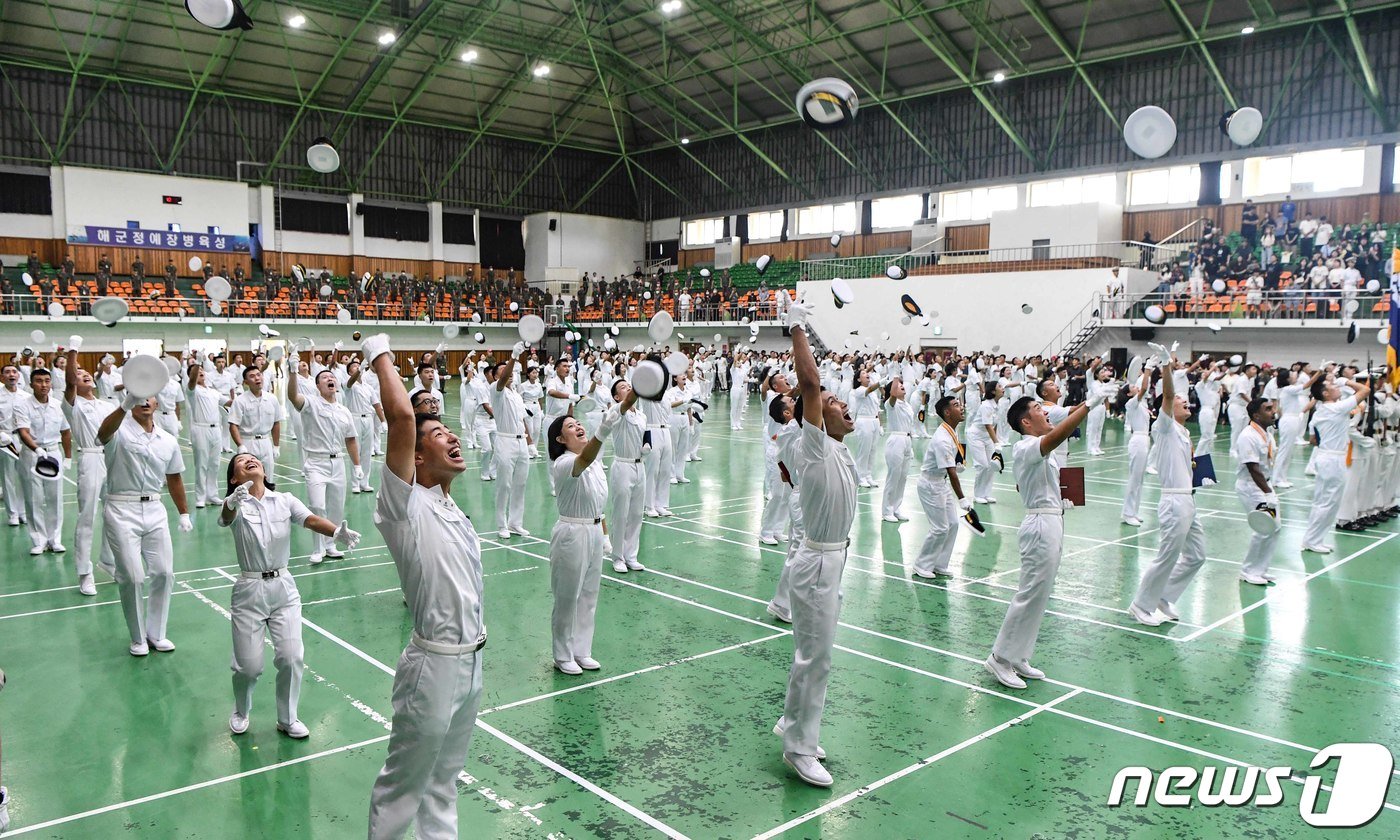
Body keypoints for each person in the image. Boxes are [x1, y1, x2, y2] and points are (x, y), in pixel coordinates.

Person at [360, 334, 486, 840]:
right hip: (431, 665)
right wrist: (380, 350)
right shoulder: (404, 508)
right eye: (439, 436)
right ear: (415, 457)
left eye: (452, 430)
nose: (451, 437)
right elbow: (403, 420)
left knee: (444, 783)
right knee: (403, 787)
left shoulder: (453, 508)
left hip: (472, 660)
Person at [772, 300, 856, 789]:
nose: (841, 405)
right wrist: (799, 325)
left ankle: (792, 722)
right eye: (833, 404)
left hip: (833, 560)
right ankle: (799, 748)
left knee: (812, 652)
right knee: (815, 657)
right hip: (817, 562)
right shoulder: (813, 443)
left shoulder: (840, 451)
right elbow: (808, 384)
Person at [221, 453, 358, 738]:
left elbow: (309, 520)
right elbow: (225, 517)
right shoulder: (236, 504)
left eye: (254, 458)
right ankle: (241, 710)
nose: (250, 460)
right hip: (249, 589)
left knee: (291, 657)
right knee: (248, 667)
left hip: (283, 587)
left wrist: (336, 533)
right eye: (242, 460)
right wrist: (232, 501)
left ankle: (287, 718)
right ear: (234, 478)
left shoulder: (285, 499)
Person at [984, 385, 1097, 689]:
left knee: (1040, 595)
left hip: (1052, 520)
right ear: (1025, 422)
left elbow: (1039, 482)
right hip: (1039, 525)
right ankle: (1000, 658)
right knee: (1028, 593)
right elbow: (1056, 437)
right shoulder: (1025, 447)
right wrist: (1087, 406)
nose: (1044, 411)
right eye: (1038, 409)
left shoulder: (1040, 451)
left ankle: (1019, 654)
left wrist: (1065, 497)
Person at [547, 388, 636, 674]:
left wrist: (634, 393)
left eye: (578, 424)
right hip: (571, 533)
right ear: (561, 440)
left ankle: (582, 650)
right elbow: (583, 459)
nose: (578, 426)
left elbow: (598, 506)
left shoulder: (595, 462)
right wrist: (603, 429)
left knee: (589, 595)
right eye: (571, 427)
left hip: (594, 532)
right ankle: (562, 655)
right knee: (567, 597)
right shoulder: (563, 464)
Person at [98, 388, 192, 656]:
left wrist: (183, 512)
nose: (143, 401)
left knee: (163, 573)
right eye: (136, 397)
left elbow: (174, 477)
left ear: (156, 402)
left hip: (154, 508)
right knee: (133, 576)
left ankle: (156, 633)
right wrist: (123, 407)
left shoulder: (167, 439)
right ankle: (138, 638)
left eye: (148, 397)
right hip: (120, 508)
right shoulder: (119, 430)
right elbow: (102, 433)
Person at [1128, 344, 1208, 626]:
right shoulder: (1164, 426)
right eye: (1180, 400)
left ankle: (1163, 596)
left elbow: (1191, 467)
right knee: (1167, 556)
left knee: (1197, 555)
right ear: (1167, 406)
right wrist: (1166, 365)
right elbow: (1170, 393)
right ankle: (1140, 605)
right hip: (1174, 501)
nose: (1186, 401)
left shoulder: (1184, 432)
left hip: (1188, 498)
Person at [286, 359, 362, 565]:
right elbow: (293, 396)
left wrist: (357, 465)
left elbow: (351, 439)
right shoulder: (310, 403)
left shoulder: (344, 411)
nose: (330, 379)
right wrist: (293, 371)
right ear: (317, 386)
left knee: (336, 507)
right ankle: (317, 548)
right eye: (324, 378)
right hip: (315, 463)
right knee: (317, 506)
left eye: (332, 377)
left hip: (338, 463)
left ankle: (331, 545)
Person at [62, 341, 116, 595]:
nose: (84, 376)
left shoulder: (107, 405)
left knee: (114, 514)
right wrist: (74, 349)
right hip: (90, 458)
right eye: (80, 375)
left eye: (87, 374)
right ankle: (85, 572)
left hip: (111, 458)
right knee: (87, 516)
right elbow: (71, 380)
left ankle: (109, 561)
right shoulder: (74, 404)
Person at [1300, 370, 1370, 554]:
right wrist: (1347, 381)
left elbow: (1314, 436)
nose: (1336, 386)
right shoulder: (1334, 408)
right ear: (1325, 393)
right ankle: (1312, 540)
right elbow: (1364, 391)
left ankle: (1314, 539)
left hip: (1328, 456)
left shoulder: (1324, 409)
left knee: (1324, 501)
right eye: (1332, 386)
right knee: (1328, 502)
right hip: (1332, 459)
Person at [913, 396, 971, 578]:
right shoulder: (942, 439)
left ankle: (939, 563)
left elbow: (952, 467)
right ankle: (921, 565)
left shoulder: (952, 431)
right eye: (955, 406)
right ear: (947, 413)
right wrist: (962, 498)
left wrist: (958, 464)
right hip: (930, 484)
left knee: (952, 524)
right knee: (939, 528)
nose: (961, 408)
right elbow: (952, 473)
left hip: (940, 481)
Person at [15, 369, 71, 555]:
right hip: (32, 454)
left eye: (47, 381)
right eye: (39, 381)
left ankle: (55, 539)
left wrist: (68, 456)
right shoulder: (22, 405)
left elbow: (65, 432)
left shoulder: (57, 405)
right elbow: (23, 432)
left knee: (55, 499)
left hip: (53, 453)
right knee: (34, 498)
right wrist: (36, 449)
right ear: (31, 384)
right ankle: (38, 540)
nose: (44, 385)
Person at [1236, 397, 1281, 585]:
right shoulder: (1248, 436)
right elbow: (1253, 468)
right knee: (1264, 528)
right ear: (1256, 415)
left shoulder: (1267, 434)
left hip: (1264, 485)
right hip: (1251, 487)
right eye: (1268, 409)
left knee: (1275, 527)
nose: (1273, 412)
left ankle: (1260, 570)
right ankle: (1248, 571)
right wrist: (1268, 494)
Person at [490, 343, 533, 539]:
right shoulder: (496, 390)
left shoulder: (515, 394)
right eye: (503, 372)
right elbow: (504, 376)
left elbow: (522, 419)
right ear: (497, 376)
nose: (509, 374)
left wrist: (530, 442)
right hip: (505, 441)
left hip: (521, 442)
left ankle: (516, 523)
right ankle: (502, 524)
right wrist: (514, 355)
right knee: (504, 484)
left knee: (520, 484)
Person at [606, 379, 647, 574]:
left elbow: (645, 437)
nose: (628, 389)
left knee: (637, 514)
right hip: (622, 466)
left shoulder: (642, 416)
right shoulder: (616, 411)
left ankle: (631, 555)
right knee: (621, 514)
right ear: (616, 396)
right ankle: (618, 557)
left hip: (640, 467)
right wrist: (644, 380)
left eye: (629, 386)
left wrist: (647, 447)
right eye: (623, 387)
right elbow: (628, 402)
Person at [186, 364, 233, 508]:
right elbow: (192, 380)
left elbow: (230, 403)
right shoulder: (192, 391)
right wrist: (197, 363)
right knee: (201, 464)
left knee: (214, 464)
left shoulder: (213, 392)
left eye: (202, 370)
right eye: (197, 371)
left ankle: (212, 495)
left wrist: (238, 397)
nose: (201, 372)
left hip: (215, 429)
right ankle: (200, 497)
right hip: (200, 429)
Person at [229, 366, 283, 471]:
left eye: (259, 375)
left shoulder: (272, 399)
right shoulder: (240, 401)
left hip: (265, 441)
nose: (257, 378)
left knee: (268, 477)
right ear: (246, 382)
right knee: (249, 477)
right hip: (248, 442)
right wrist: (240, 445)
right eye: (252, 376)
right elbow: (233, 425)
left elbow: (276, 423)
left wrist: (276, 446)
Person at [1120, 365, 1153, 527]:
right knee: (1134, 478)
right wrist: (1148, 369)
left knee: (1140, 479)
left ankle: (1133, 511)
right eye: (1132, 387)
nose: (1136, 387)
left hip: (1145, 440)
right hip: (1138, 440)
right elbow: (1145, 387)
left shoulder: (1140, 405)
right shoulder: (1131, 404)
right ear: (1128, 394)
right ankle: (1127, 513)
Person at [880, 377, 916, 522]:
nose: (902, 386)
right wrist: (895, 376)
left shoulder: (907, 405)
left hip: (907, 440)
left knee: (902, 477)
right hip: (896, 440)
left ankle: (896, 508)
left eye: (902, 384)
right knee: (893, 477)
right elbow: (893, 395)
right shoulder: (890, 404)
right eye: (898, 385)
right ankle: (886, 510)